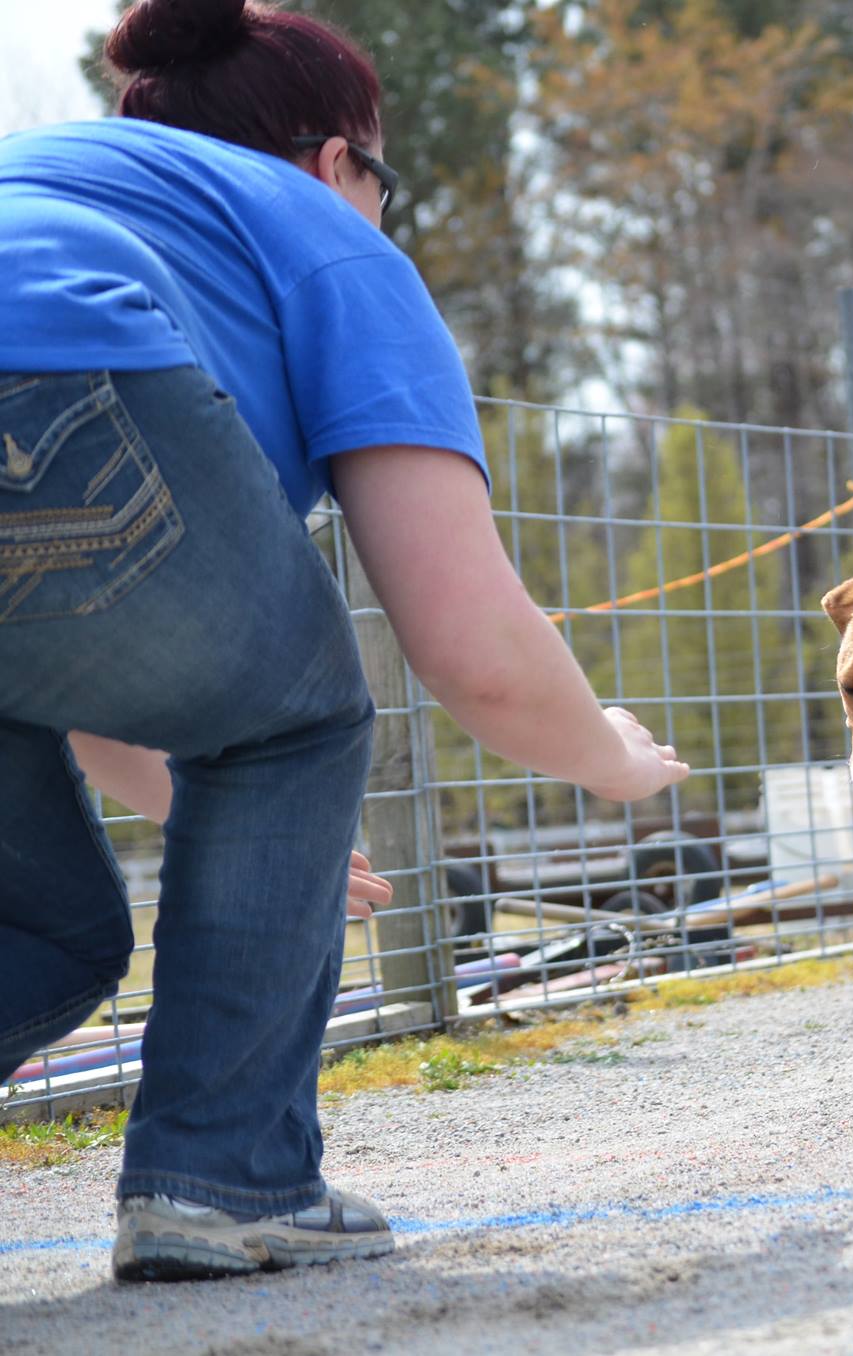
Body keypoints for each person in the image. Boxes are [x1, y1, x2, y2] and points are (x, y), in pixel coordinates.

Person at [0, 0, 689, 1282]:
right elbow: (468, 642)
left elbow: (76, 657)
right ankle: (223, 1180)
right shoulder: (323, 233)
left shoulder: (66, 178)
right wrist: (614, 763)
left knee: (43, 925)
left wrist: (273, 843)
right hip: (62, 380)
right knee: (306, 711)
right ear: (337, 161)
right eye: (388, 181)